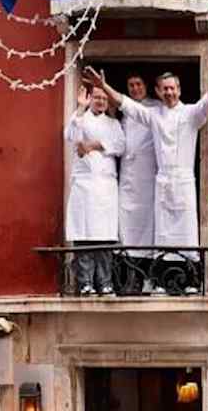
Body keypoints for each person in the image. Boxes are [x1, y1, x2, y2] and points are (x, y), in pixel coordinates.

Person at [83, 63, 208, 296]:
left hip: (183, 181)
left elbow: (207, 103)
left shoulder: (191, 114)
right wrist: (103, 85)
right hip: (162, 181)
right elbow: (126, 104)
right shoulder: (154, 115)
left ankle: (191, 281)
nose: (169, 92)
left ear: (179, 90)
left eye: (172, 88)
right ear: (159, 91)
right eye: (165, 89)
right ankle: (161, 281)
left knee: (187, 234)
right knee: (162, 235)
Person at [65, 85, 126, 296]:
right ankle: (85, 283)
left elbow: (121, 146)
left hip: (106, 187)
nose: (100, 101)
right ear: (90, 98)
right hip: (85, 185)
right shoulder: (80, 119)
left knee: (105, 236)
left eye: (104, 99)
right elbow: (71, 136)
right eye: (97, 98)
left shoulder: (113, 123)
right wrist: (80, 108)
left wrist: (97, 145)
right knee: (84, 235)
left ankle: (105, 282)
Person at [118, 73, 161, 290]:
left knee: (149, 226)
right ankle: (130, 276)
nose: (135, 88)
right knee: (126, 226)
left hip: (148, 174)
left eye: (138, 84)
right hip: (128, 175)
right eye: (131, 85)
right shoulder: (124, 111)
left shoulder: (157, 108)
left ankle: (149, 277)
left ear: (146, 86)